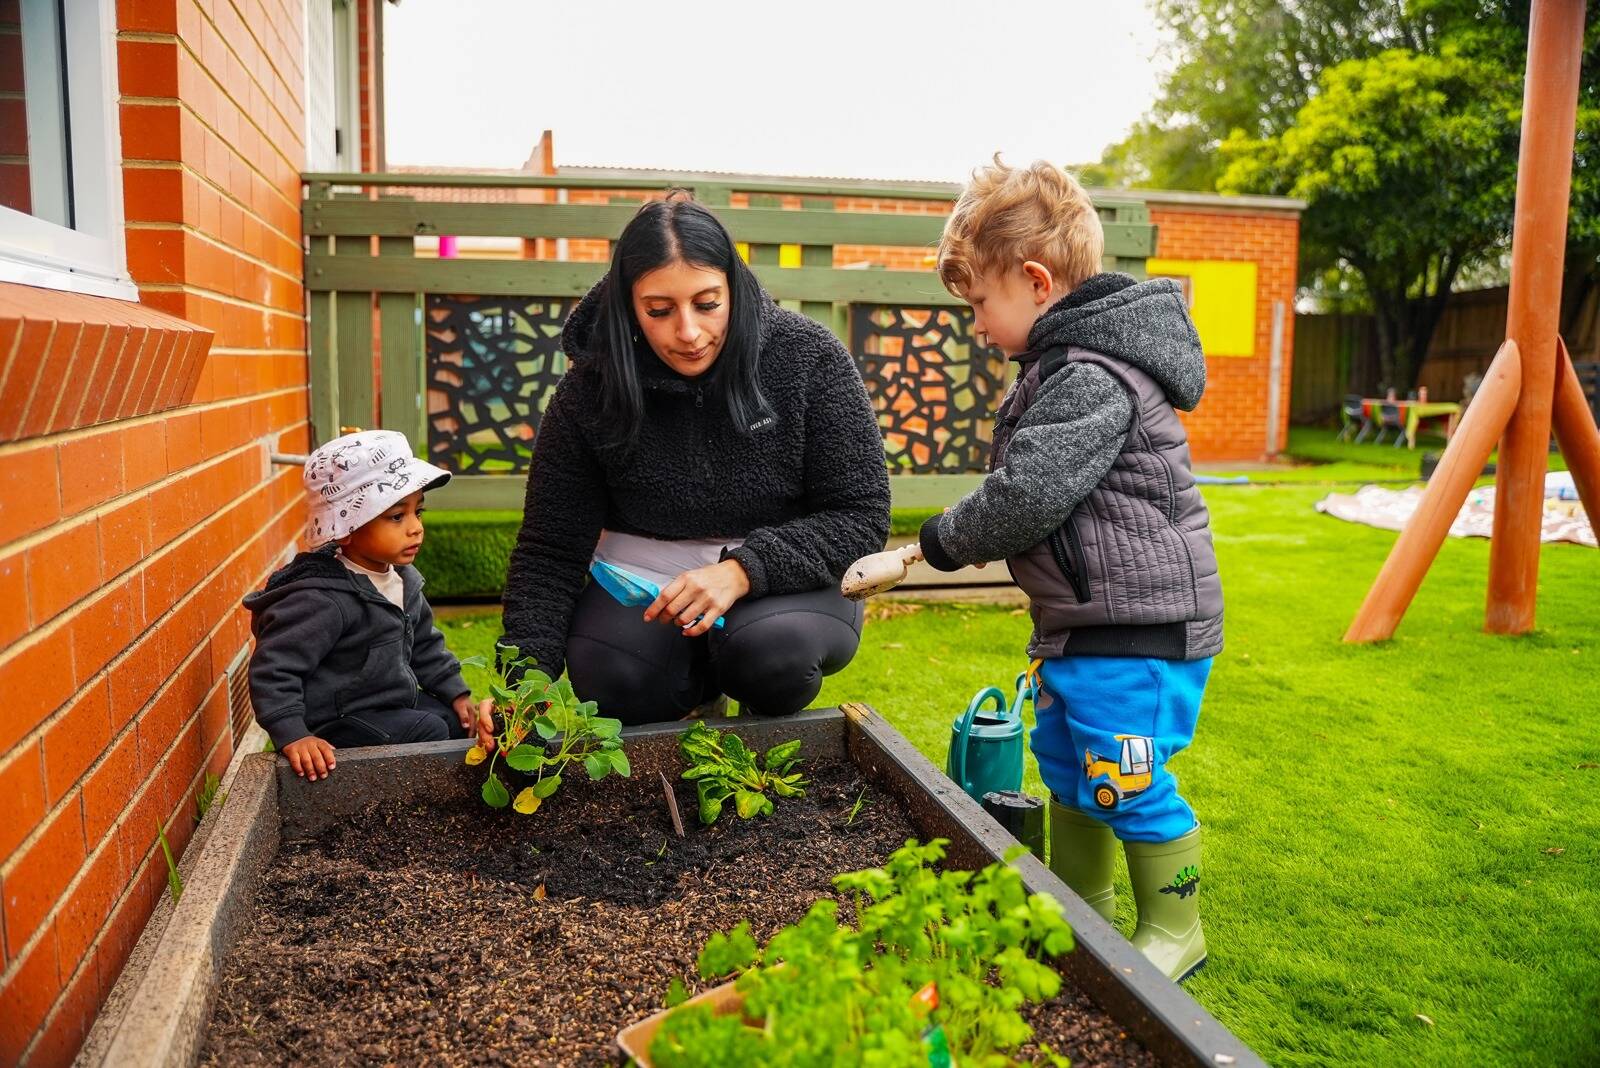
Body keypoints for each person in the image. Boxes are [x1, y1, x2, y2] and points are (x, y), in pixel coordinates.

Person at [918, 157, 1223, 981]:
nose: (976, 323)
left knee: (1121, 776)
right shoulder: (1064, 368)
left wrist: (936, 542)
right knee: (1069, 766)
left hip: (1141, 629)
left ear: (1036, 280)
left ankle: (1176, 927)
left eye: (981, 302)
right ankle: (1084, 911)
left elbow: (1027, 495)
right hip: (1090, 626)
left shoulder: (1091, 375)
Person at [500, 195, 890, 724]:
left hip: (785, 576)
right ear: (628, 305)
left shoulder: (807, 358)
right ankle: (696, 695)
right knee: (610, 673)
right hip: (644, 578)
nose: (687, 332)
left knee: (772, 656)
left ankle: (752, 711)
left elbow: (860, 515)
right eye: (659, 311)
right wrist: (523, 687)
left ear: (734, 287)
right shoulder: (589, 390)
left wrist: (744, 570)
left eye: (707, 304)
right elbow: (550, 549)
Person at [245, 430, 494, 781]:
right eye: (397, 517)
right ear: (345, 528)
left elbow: (424, 644)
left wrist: (455, 692)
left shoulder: (403, 579)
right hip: (336, 722)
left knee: (453, 722)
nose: (415, 529)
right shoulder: (322, 598)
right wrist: (294, 734)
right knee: (429, 731)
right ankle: (410, 804)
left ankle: (448, 787)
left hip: (386, 705)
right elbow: (274, 669)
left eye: (417, 512)